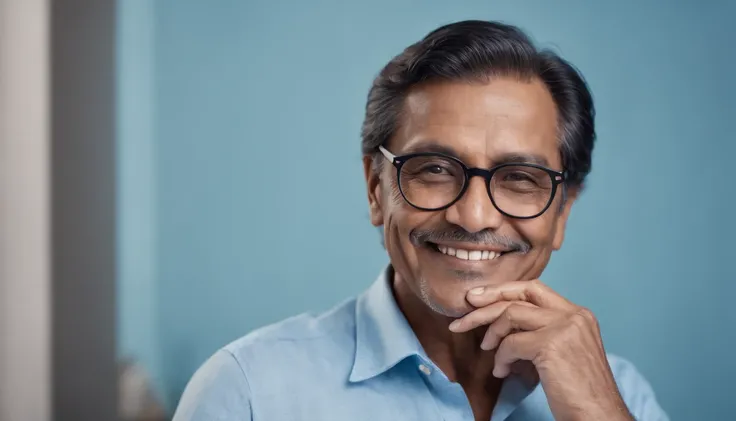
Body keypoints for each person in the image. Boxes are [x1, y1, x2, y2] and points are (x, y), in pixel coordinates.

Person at [173, 20, 669, 421]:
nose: (473, 216)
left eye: (519, 177)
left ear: (562, 212)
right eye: (433, 169)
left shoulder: (618, 396)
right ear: (375, 189)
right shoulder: (247, 393)